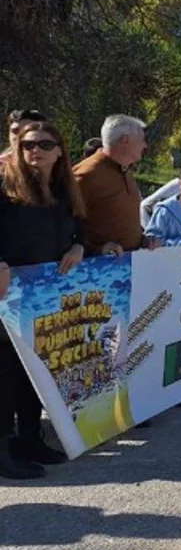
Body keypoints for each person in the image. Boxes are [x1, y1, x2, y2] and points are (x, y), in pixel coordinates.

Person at [0, 121, 85, 478]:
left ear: (60, 150)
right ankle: (3, 449)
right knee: (5, 373)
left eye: (45, 144)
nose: (35, 150)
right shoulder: (5, 186)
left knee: (34, 369)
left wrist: (79, 246)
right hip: (9, 292)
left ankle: (30, 438)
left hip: (47, 292)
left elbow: (76, 227)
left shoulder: (64, 190)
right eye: (28, 145)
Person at [74, 114, 157, 255]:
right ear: (125, 141)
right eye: (142, 140)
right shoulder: (87, 174)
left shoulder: (125, 169)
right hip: (98, 271)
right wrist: (96, 250)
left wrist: (142, 239)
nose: (145, 145)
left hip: (131, 265)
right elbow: (64, 225)